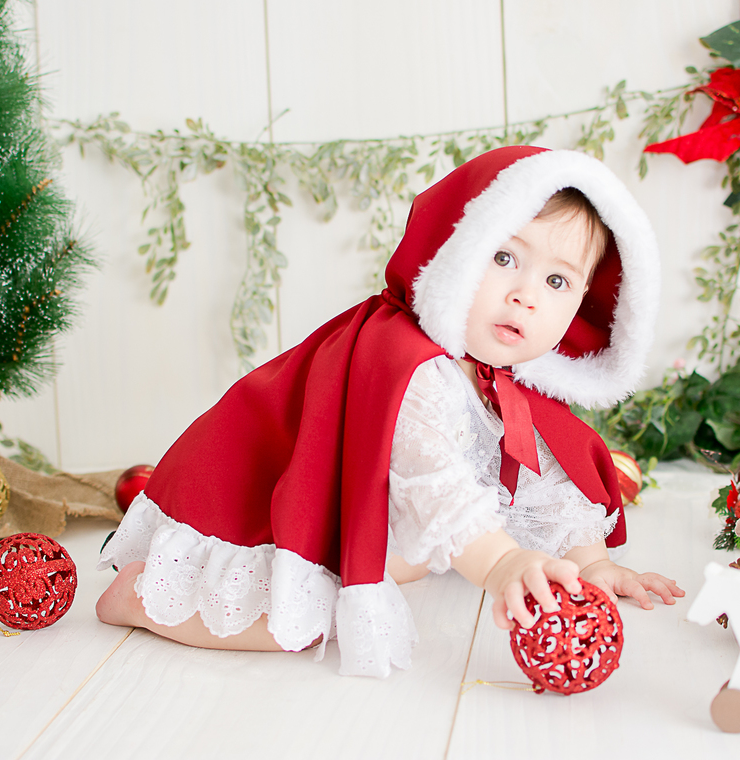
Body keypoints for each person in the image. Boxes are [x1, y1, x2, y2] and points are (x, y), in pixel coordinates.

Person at [97, 146, 684, 677]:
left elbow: (544, 479)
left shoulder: (501, 379)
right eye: (504, 257)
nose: (525, 294)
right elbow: (435, 488)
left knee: (408, 565)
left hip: (364, 506)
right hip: (259, 503)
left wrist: (590, 562)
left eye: (557, 280)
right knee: (309, 621)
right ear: (456, 245)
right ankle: (145, 600)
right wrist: (502, 563)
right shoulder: (411, 365)